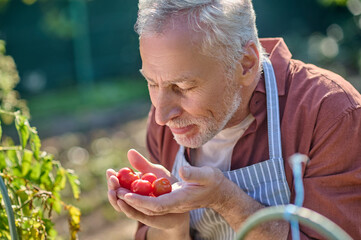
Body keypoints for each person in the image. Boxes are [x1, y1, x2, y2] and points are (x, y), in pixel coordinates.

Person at [106, 0, 361, 239]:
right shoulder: (166, 122)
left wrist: (226, 200)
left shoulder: (329, 113)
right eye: (152, 83)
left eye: (182, 86)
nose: (161, 116)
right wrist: (172, 226)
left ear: (246, 64)